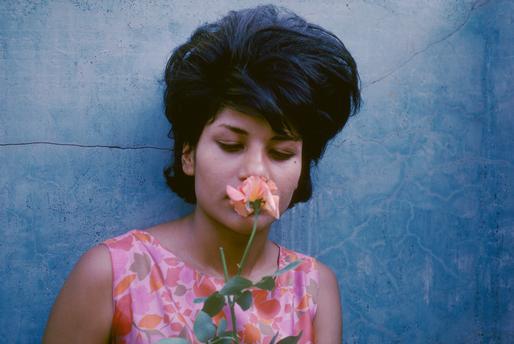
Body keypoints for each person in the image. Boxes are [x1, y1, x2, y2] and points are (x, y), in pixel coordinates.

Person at [43, 4, 360, 343]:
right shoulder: (112, 275)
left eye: (280, 153)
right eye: (230, 145)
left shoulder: (313, 289)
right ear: (188, 154)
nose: (255, 171)